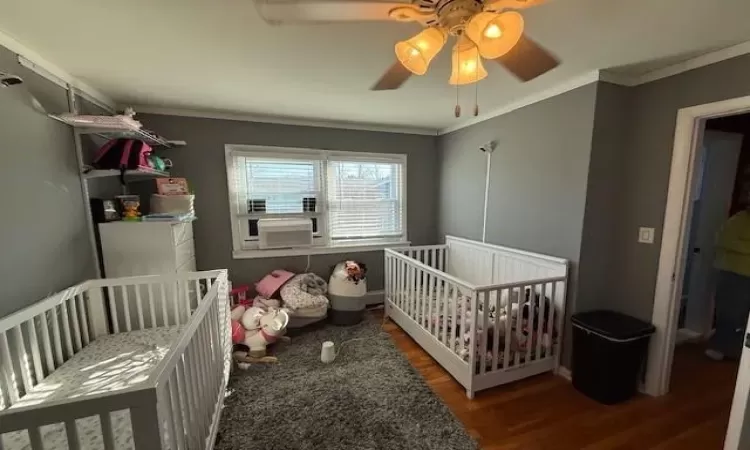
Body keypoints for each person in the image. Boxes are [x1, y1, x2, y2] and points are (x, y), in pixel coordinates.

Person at [706, 192, 750, 360]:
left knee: (744, 319)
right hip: (734, 275)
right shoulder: (738, 220)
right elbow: (723, 240)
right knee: (729, 313)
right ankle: (718, 347)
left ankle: (738, 351)